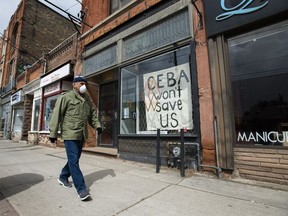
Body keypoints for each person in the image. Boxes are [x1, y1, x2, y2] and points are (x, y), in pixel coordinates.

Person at [49, 76, 102, 201]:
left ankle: (63, 177)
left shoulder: (87, 99)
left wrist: (97, 126)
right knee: (74, 161)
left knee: (74, 159)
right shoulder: (66, 97)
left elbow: (92, 115)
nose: (83, 86)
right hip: (70, 134)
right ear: (74, 85)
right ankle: (81, 189)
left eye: (85, 84)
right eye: (81, 83)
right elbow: (56, 115)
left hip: (81, 134)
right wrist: (53, 134)